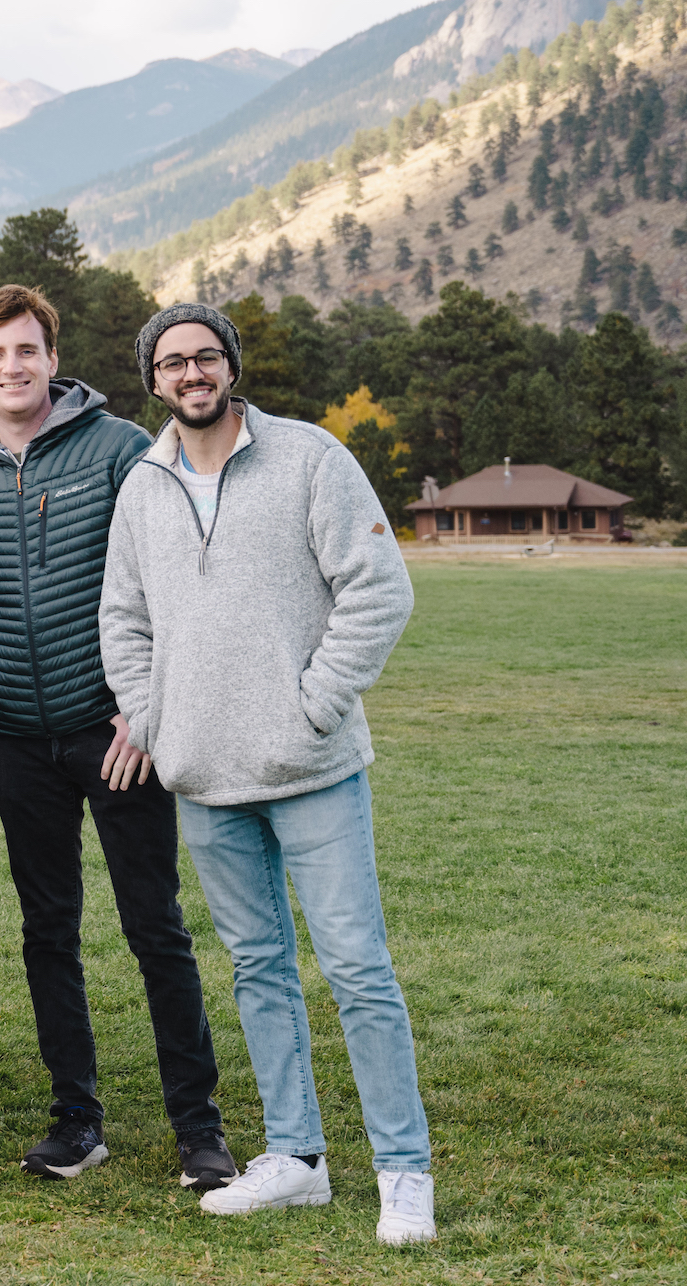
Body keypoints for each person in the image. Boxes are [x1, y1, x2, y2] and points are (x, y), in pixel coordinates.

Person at [101, 303, 433, 1247]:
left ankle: (402, 1170)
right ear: (154, 381)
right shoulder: (143, 485)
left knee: (358, 969)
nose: (193, 372)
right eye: (173, 362)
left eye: (207, 356)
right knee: (257, 969)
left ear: (231, 367)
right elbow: (123, 621)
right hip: (205, 776)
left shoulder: (311, 460)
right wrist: (161, 722)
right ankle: (296, 1158)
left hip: (313, 768)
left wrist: (313, 705)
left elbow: (379, 590)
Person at [0, 285, 233, 1190]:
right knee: (46, 930)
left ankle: (198, 1127)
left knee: (155, 926)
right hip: (19, 740)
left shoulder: (120, 453)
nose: (12, 368)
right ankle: (77, 1118)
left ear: (52, 359)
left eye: (26, 351)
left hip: (116, 732)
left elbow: (167, 591)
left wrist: (146, 713)